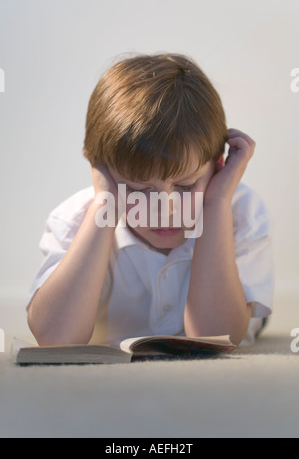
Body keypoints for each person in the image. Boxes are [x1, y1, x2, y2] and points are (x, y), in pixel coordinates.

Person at [27, 53, 274, 347]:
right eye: (137, 189)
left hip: (234, 310)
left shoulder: (241, 212)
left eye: (185, 185)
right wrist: (104, 204)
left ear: (218, 165)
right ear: (102, 172)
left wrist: (216, 204)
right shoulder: (73, 219)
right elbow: (56, 339)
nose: (165, 211)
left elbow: (216, 339)